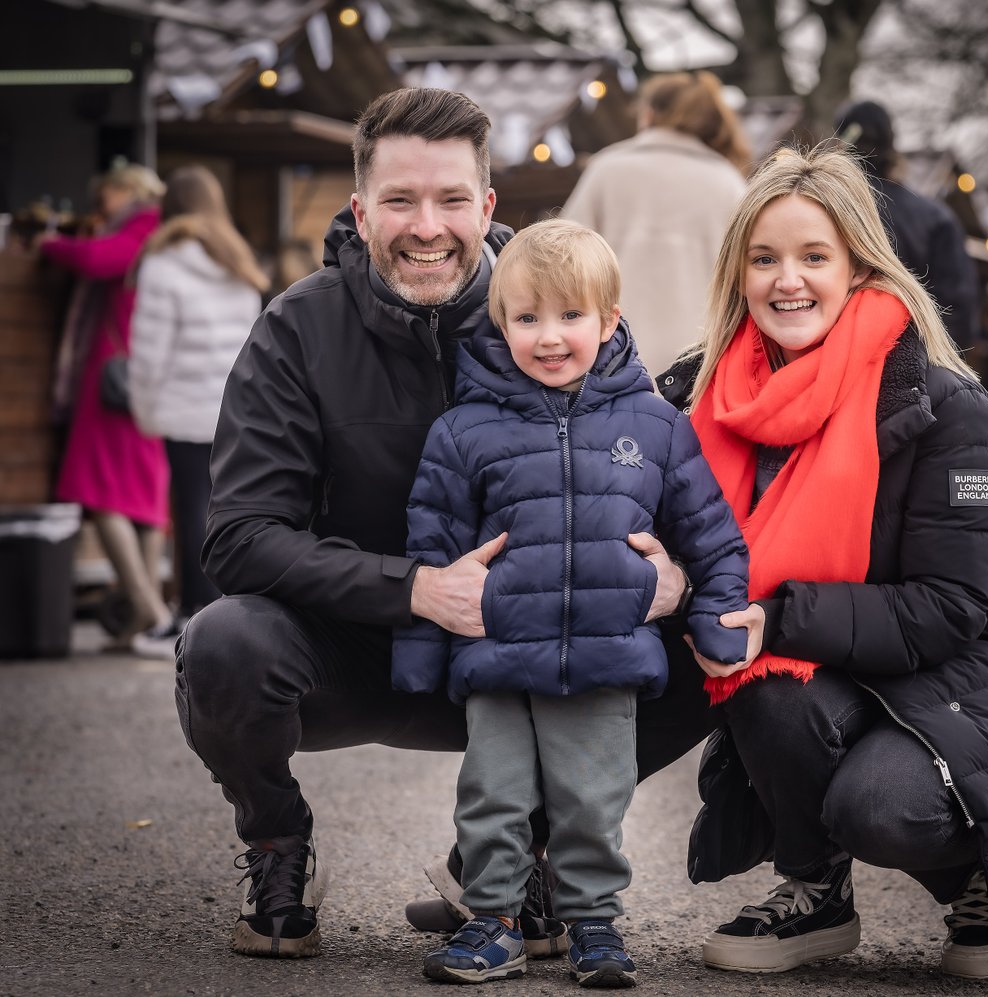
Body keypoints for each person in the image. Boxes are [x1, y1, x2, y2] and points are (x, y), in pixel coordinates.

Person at [175, 87, 701, 959]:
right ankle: (276, 841)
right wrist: (416, 588)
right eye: (401, 200)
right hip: (361, 644)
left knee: (710, 638)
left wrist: (675, 570)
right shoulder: (295, 331)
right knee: (224, 642)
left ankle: (510, 855)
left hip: (536, 647)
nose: (429, 225)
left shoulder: (560, 312)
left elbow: (657, 468)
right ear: (360, 209)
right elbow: (237, 536)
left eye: (452, 199)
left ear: (487, 206)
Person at [657, 145, 988, 980]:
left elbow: (951, 605)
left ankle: (977, 881)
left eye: (814, 257)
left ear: (858, 266)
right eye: (764, 258)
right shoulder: (706, 397)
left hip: (966, 672)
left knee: (880, 805)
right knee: (756, 676)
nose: (787, 280)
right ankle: (816, 891)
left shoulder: (946, 405)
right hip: (834, 665)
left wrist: (778, 613)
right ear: (737, 273)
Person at [393, 219, 749, 986]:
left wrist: (716, 615)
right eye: (527, 318)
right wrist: (422, 652)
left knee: (593, 797)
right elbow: (434, 543)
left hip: (604, 655)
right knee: (494, 795)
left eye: (569, 316)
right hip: (496, 654)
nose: (548, 337)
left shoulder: (654, 426)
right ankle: (492, 922)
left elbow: (711, 533)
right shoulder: (464, 430)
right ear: (501, 323)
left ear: (608, 321)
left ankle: (593, 924)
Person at [128, 165, 269, 640]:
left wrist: (144, 410)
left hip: (184, 408)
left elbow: (148, 353)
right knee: (221, 507)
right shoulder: (236, 258)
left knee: (190, 508)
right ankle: (218, 609)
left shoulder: (162, 263)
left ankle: (192, 612)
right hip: (232, 407)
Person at [40, 162, 174, 653]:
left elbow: (98, 262)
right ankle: (144, 615)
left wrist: (48, 244)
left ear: (126, 191)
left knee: (101, 494)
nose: (99, 208)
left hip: (115, 378)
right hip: (139, 376)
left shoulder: (142, 225)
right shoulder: (159, 230)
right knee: (140, 499)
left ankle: (150, 610)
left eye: (105, 197)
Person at [562, 70, 749, 380]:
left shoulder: (606, 170)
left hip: (611, 357)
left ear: (648, 114)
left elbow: (561, 257)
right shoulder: (728, 182)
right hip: (702, 364)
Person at [833, 100, 980, 352]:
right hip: (914, 366)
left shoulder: (821, 213)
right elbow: (958, 311)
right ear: (891, 144)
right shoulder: (933, 217)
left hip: (834, 363)